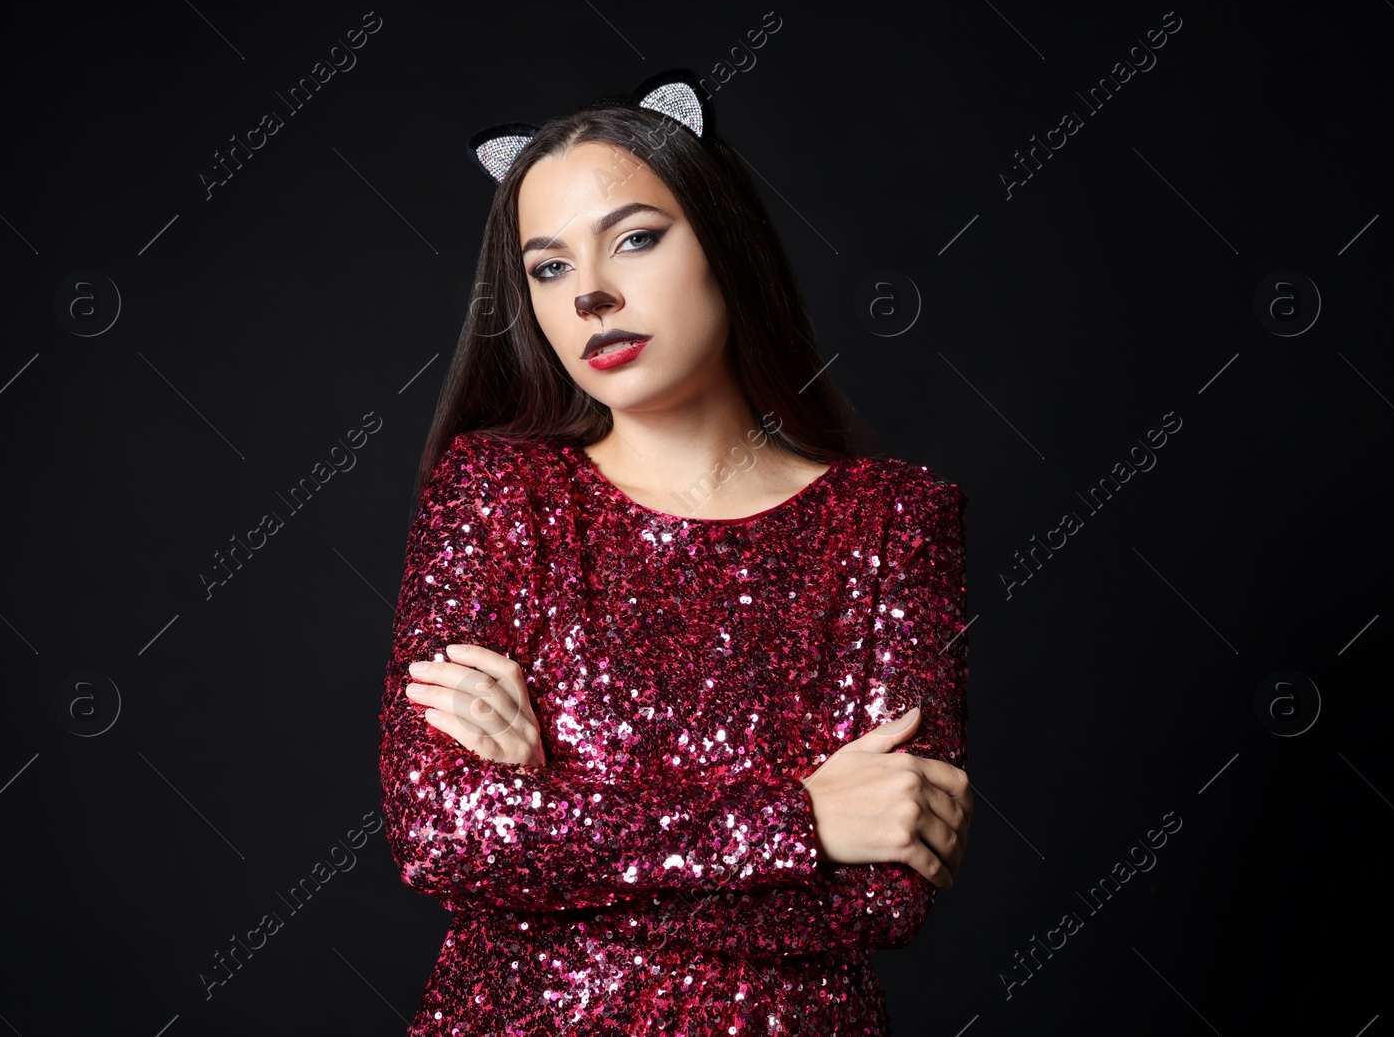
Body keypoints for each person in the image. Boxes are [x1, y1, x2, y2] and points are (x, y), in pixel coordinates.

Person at [377, 69, 972, 1036]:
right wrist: (800, 824)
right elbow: (449, 835)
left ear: (724, 244)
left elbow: (883, 897)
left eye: (636, 238)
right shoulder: (495, 494)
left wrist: (550, 818)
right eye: (549, 267)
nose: (593, 294)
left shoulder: (892, 521)